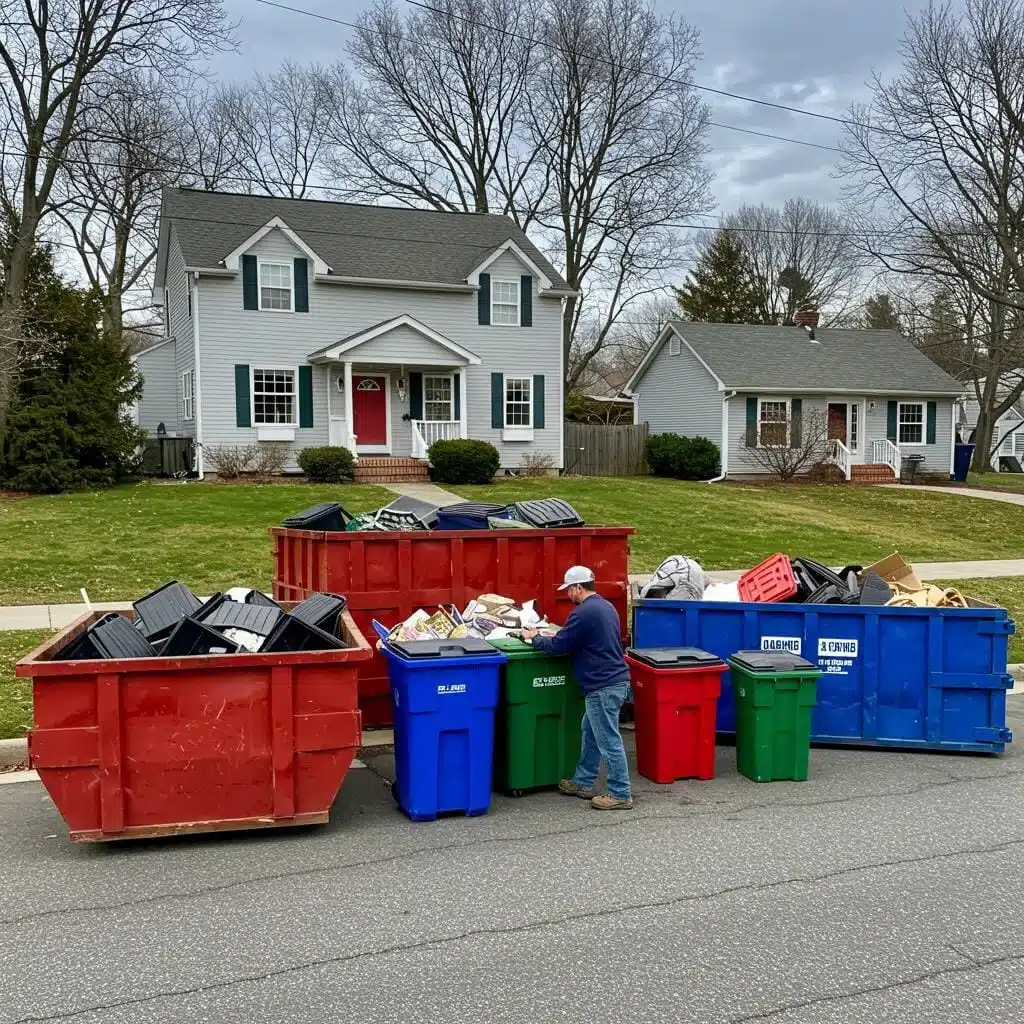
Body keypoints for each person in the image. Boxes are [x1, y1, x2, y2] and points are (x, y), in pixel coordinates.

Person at [522, 565, 633, 810]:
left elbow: (560, 645)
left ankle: (621, 793)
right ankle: (582, 782)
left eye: (569, 590)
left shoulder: (583, 612)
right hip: (613, 680)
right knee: (591, 732)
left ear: (578, 588)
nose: (567, 595)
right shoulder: (605, 607)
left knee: (608, 740)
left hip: (601, 684)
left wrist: (534, 638)